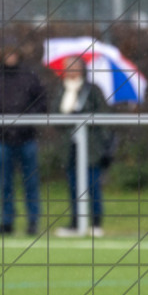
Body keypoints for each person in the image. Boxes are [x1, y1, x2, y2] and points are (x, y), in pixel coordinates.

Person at [0, 42, 47, 236]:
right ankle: (6, 222)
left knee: (31, 182)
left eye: (13, 53)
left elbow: (41, 103)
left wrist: (24, 122)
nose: (10, 57)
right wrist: (2, 125)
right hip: (2, 139)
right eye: (6, 53)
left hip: (27, 138)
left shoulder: (30, 76)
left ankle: (33, 222)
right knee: (5, 183)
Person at [53, 57, 113, 238]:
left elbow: (103, 118)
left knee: (92, 185)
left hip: (91, 147)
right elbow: (55, 115)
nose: (71, 71)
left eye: (74, 67)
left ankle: (95, 223)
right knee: (73, 186)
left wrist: (84, 118)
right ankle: (76, 222)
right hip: (69, 146)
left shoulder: (92, 90)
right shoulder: (61, 90)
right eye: (67, 68)